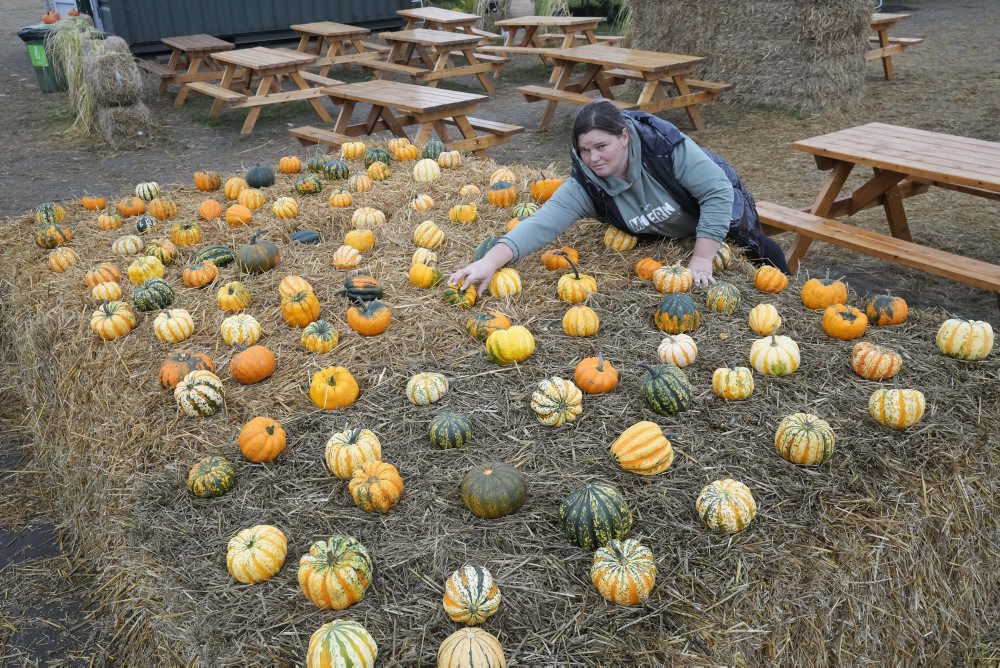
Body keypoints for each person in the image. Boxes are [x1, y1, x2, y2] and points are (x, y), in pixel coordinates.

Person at [449, 99, 790, 295]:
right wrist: (489, 262)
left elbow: (717, 193)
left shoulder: (666, 150)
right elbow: (540, 224)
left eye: (601, 146)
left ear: (624, 138)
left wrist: (701, 260)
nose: (593, 157)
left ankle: (787, 282)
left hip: (713, 201)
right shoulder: (587, 185)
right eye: (585, 150)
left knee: (752, 244)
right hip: (668, 227)